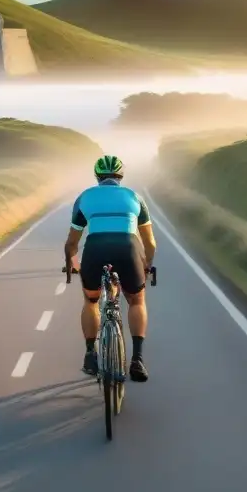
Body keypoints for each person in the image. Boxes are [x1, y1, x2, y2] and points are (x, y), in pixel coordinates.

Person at [63, 155, 156, 382]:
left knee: (91, 300)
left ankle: (89, 354)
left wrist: (73, 266)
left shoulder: (84, 197)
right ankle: (137, 359)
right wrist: (146, 266)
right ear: (120, 176)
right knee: (136, 300)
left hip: (95, 250)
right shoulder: (135, 197)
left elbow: (72, 244)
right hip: (128, 248)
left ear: (97, 176)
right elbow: (150, 243)